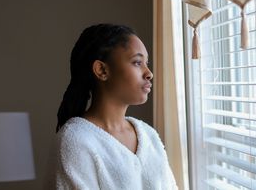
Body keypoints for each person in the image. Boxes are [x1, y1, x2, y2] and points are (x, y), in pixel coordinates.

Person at [51, 23, 178, 190]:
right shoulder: (75, 140)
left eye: (146, 63)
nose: (149, 73)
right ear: (102, 70)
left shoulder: (149, 135)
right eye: (137, 62)